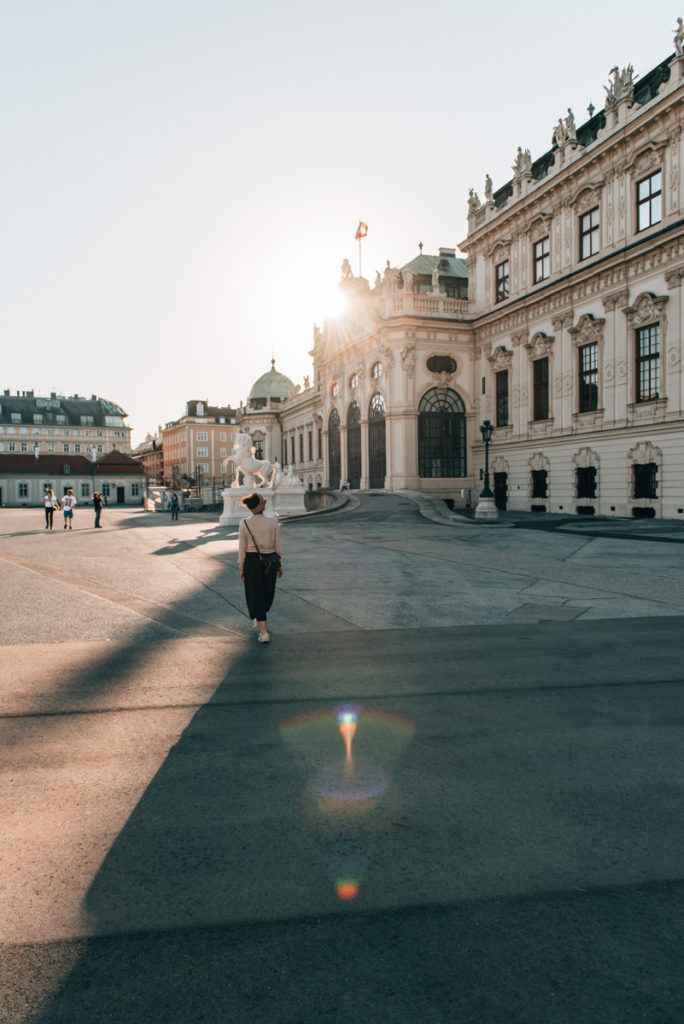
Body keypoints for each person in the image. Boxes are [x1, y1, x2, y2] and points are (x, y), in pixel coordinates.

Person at [238, 492, 283, 644]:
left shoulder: (244, 523)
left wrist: (241, 566)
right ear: (261, 506)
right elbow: (277, 545)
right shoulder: (273, 522)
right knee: (267, 593)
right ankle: (263, 627)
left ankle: (261, 622)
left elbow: (242, 547)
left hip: (252, 561)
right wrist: (279, 564)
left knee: (255, 593)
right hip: (271, 560)